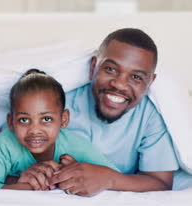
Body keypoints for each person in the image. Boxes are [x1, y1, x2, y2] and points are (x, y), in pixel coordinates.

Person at [38, 28, 178, 196]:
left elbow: (161, 182)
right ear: (92, 68)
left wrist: (108, 178)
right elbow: (5, 151)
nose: (119, 84)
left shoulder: (150, 116)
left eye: (136, 77)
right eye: (111, 69)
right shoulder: (57, 103)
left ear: (150, 83)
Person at [0, 69, 118, 190]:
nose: (34, 130)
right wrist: (20, 182)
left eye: (46, 119)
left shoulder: (76, 145)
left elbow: (114, 176)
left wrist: (80, 172)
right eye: (24, 120)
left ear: (64, 119)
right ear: (11, 122)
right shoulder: (4, 143)